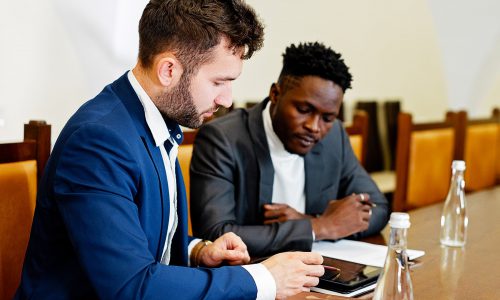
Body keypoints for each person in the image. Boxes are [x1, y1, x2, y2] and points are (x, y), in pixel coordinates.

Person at [15, 1, 325, 299]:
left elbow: (140, 242)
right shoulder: (98, 141)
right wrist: (264, 279)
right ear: (168, 70)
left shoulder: (155, 121)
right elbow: (131, 287)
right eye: (219, 81)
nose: (226, 99)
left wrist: (199, 251)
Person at [190, 42, 390, 257]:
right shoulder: (222, 139)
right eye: (304, 110)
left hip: (317, 273)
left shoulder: (334, 137)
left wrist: (309, 222)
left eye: (327, 118)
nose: (314, 127)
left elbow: (378, 208)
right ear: (276, 94)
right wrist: (319, 228)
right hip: (254, 275)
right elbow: (215, 234)